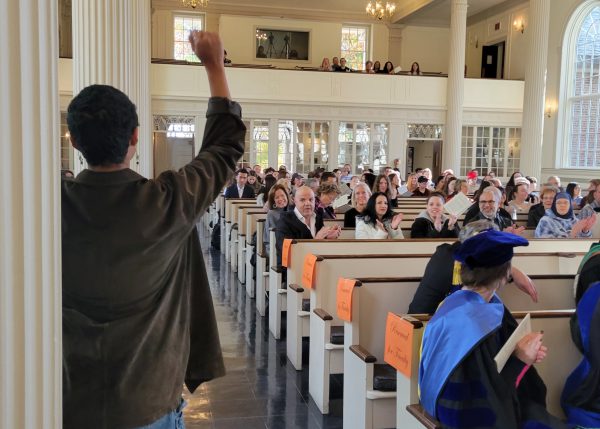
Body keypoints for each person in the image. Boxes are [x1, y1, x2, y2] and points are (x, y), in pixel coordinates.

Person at [61, 31, 243, 428]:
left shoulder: (49, 206)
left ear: (74, 141)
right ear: (135, 137)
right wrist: (214, 65)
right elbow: (225, 148)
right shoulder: (166, 201)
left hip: (72, 399)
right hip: (149, 401)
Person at [419, 230, 568, 429]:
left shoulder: (454, 303)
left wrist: (523, 354)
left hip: (434, 406)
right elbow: (485, 402)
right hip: (462, 419)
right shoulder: (475, 323)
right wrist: (521, 360)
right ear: (505, 275)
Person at [408, 220, 539, 315]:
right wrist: (511, 270)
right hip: (424, 327)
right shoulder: (449, 259)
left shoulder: (452, 253)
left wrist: (511, 270)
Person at [275, 186, 341, 267]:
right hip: (292, 271)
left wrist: (328, 237)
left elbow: (321, 248)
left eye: (311, 200)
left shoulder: (317, 217)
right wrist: (317, 240)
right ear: (294, 201)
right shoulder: (284, 221)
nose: (308, 203)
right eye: (302, 200)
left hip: (317, 266)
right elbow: (288, 255)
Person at [264, 184, 290, 256]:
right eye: (277, 197)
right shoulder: (271, 214)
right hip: (275, 249)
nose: (281, 199)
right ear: (273, 201)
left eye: (282, 195)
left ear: (287, 196)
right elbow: (270, 239)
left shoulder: (293, 210)